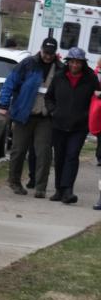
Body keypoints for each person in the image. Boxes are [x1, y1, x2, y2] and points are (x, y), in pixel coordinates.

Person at [0, 37, 63, 197]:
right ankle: (14, 181)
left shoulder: (60, 68)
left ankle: (41, 187)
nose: (48, 56)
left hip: (46, 116)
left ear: (55, 53)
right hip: (24, 114)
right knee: (18, 150)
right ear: (41, 49)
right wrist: (3, 104)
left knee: (44, 152)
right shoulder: (28, 64)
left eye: (51, 53)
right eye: (46, 52)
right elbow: (10, 83)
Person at [45, 47, 101, 204]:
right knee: (60, 157)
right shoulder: (59, 77)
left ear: (83, 64)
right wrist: (53, 111)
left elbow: (98, 97)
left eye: (78, 63)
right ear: (68, 62)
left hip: (79, 126)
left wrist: (89, 113)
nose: (75, 65)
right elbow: (49, 97)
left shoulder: (91, 79)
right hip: (59, 124)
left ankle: (68, 190)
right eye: (72, 62)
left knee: (72, 155)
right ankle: (59, 190)